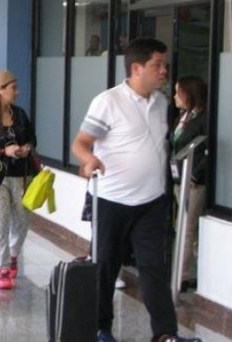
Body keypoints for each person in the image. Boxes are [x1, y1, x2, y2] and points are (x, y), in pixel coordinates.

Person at [71, 38, 202, 342]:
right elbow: (80, 143)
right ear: (136, 68)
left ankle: (165, 334)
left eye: (164, 65)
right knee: (105, 266)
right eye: (157, 64)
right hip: (112, 201)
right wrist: (89, 159)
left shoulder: (160, 103)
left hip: (151, 202)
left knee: (154, 268)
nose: (164, 71)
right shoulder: (109, 101)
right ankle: (100, 328)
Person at [0, 70, 37, 290]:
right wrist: (4, 151)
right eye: (13, 87)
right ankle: (2, 267)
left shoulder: (20, 114)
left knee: (22, 221)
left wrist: (26, 148)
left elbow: (33, 138)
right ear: (1, 90)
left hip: (22, 176)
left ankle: (14, 254)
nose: (17, 91)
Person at [171, 75, 207, 292]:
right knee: (187, 228)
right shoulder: (182, 117)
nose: (175, 97)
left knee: (187, 227)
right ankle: (193, 272)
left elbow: (208, 151)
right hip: (179, 180)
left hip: (194, 183)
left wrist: (195, 174)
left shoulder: (203, 119)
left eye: (178, 92)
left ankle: (181, 276)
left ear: (189, 94)